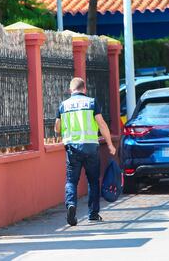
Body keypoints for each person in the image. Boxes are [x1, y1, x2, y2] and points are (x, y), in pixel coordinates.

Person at [55, 77, 116, 226]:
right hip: (90, 147)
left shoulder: (64, 105)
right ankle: (93, 214)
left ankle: (71, 205)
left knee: (71, 181)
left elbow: (57, 127)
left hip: (72, 149)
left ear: (71, 90)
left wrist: (61, 131)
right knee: (93, 181)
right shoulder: (91, 102)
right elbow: (101, 123)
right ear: (84, 89)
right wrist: (109, 144)